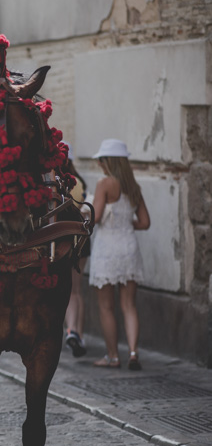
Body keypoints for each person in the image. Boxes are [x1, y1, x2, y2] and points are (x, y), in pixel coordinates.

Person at [88, 139, 151, 370]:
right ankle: (133, 353)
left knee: (106, 307)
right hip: (129, 246)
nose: (99, 164)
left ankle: (113, 356)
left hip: (107, 248)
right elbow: (145, 222)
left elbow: (95, 217)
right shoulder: (134, 187)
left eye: (100, 160)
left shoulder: (104, 183)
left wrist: (82, 214)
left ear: (108, 161)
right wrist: (124, 222)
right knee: (129, 305)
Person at [61, 143, 89, 357]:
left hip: (62, 238)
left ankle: (70, 330)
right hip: (81, 237)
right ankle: (77, 332)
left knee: (65, 289)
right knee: (77, 290)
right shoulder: (79, 182)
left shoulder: (57, 182)